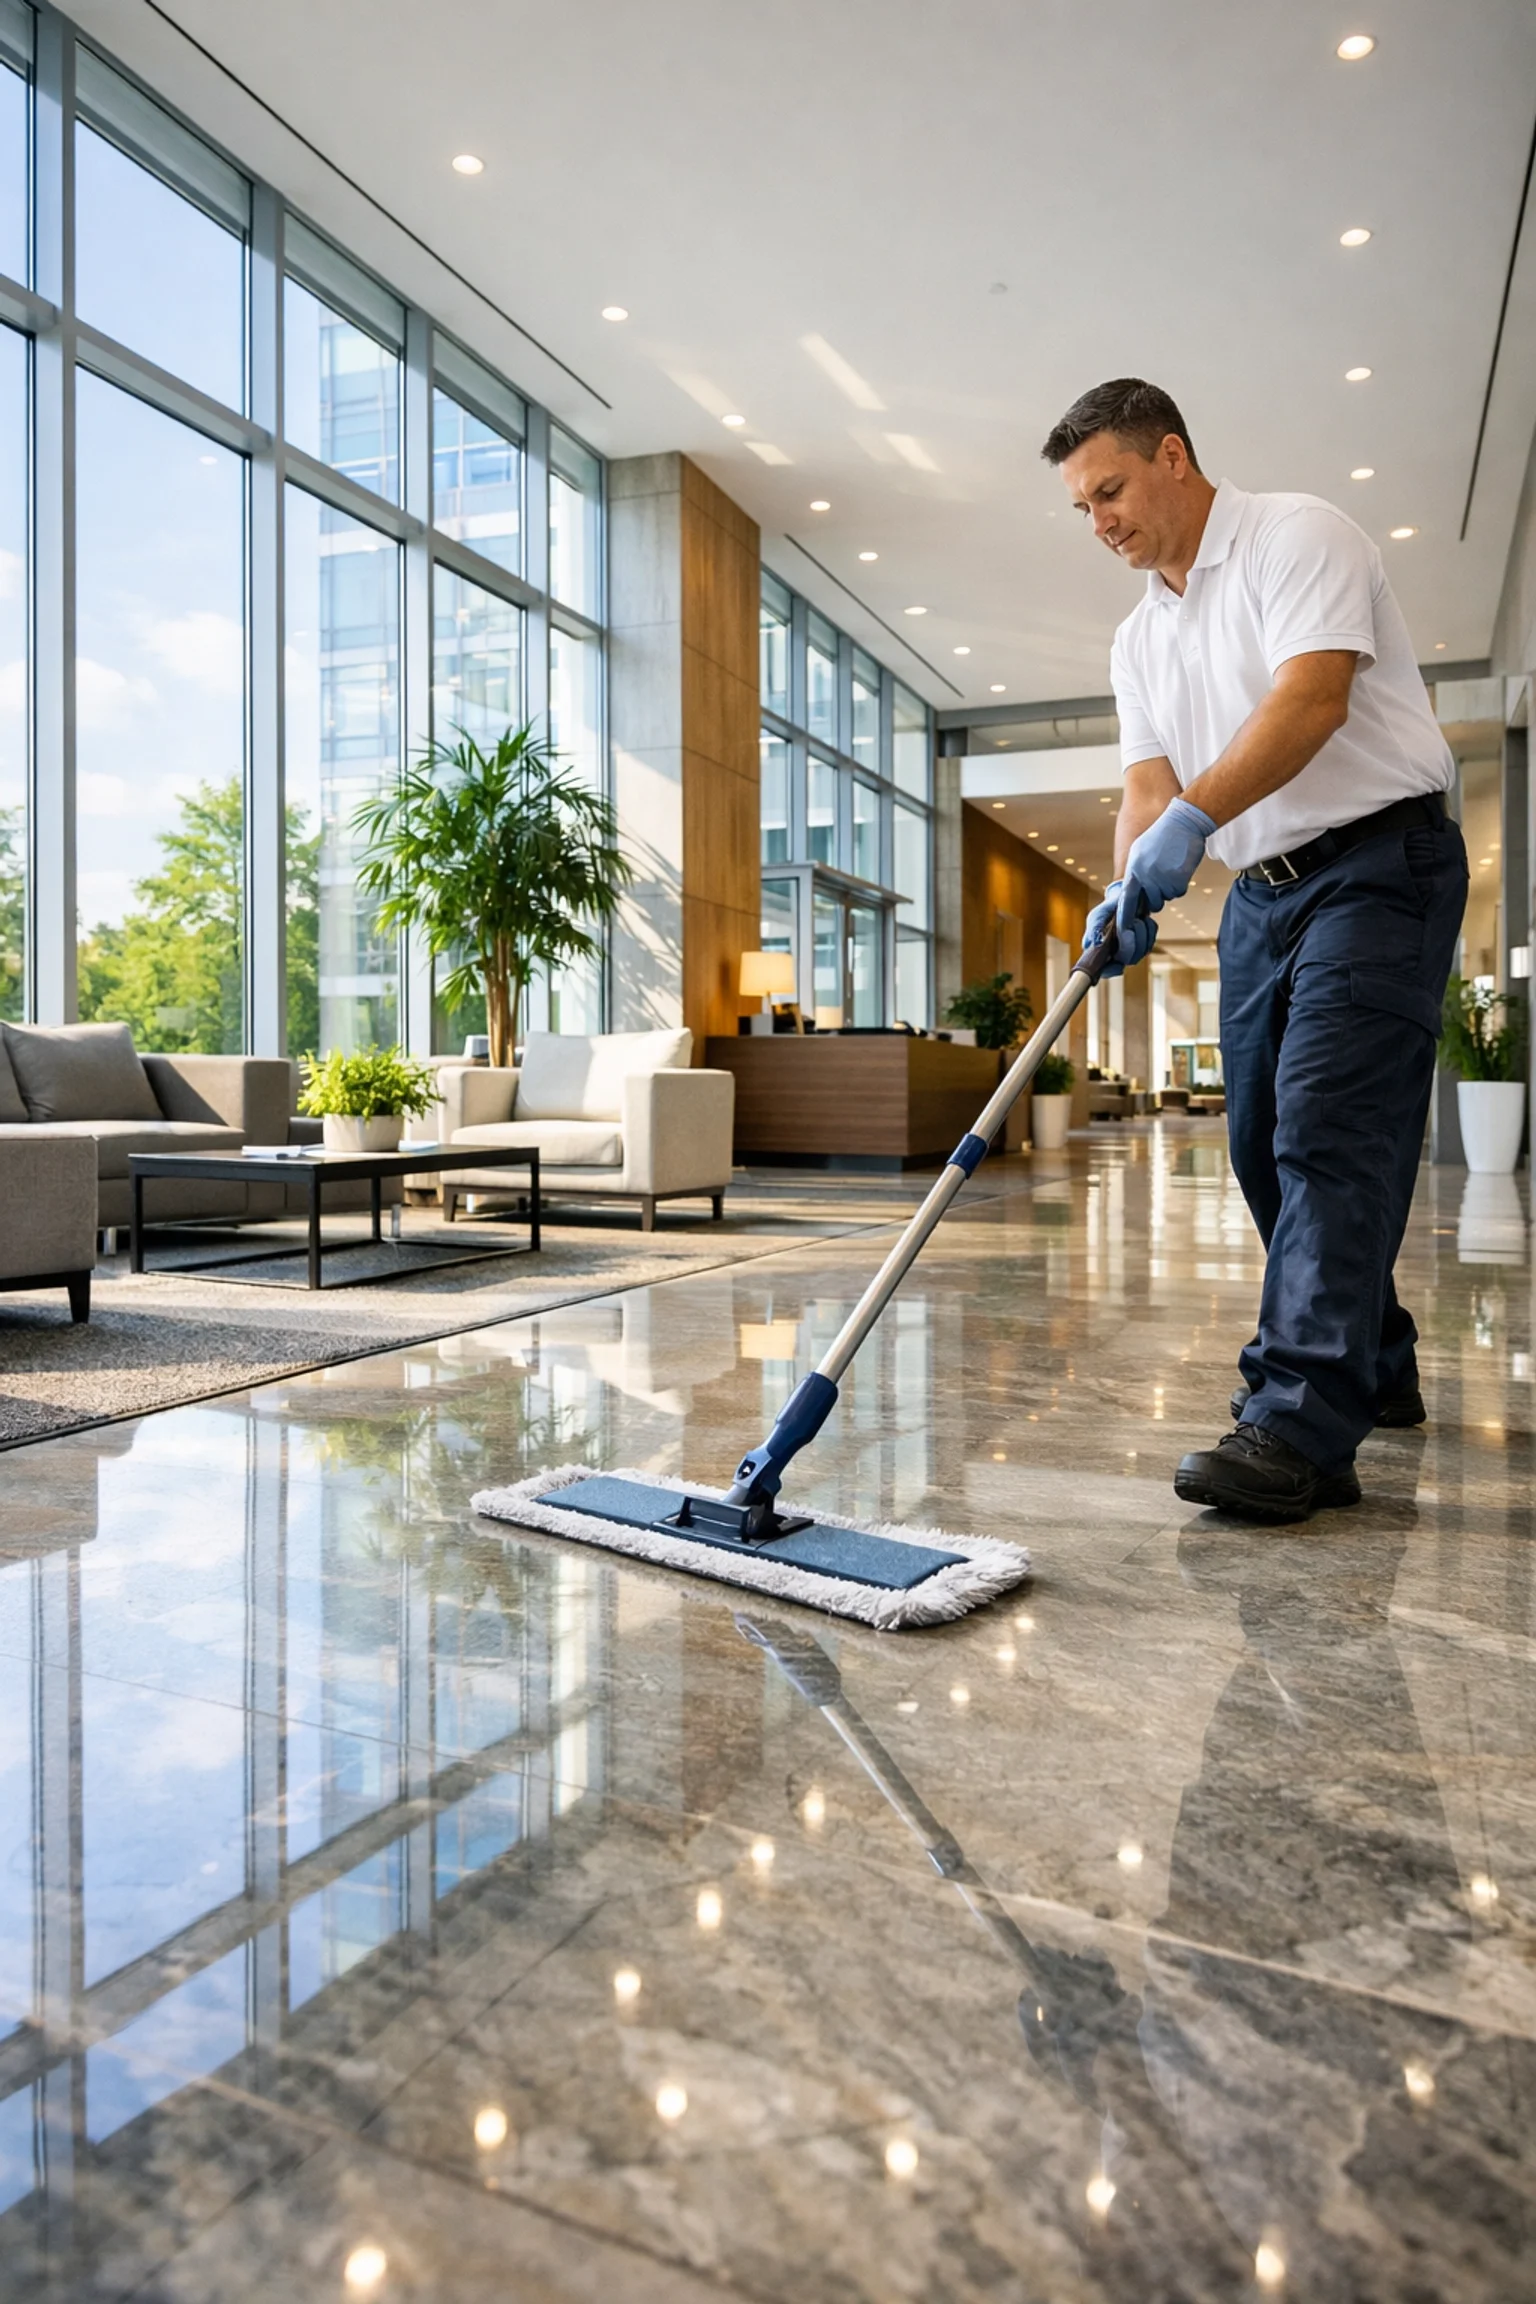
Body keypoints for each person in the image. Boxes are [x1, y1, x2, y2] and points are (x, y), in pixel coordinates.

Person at [1041, 378, 1466, 1523]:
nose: (1101, 524)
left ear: (1172, 456)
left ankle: (1297, 1425)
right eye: (1082, 507)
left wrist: (1192, 823)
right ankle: (1372, 1357)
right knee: (1257, 1146)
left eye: (1111, 491)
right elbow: (1145, 785)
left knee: (1328, 1125)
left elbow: (1312, 699)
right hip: (1264, 897)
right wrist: (1129, 878)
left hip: (1381, 865)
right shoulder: (1140, 636)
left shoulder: (1298, 534)